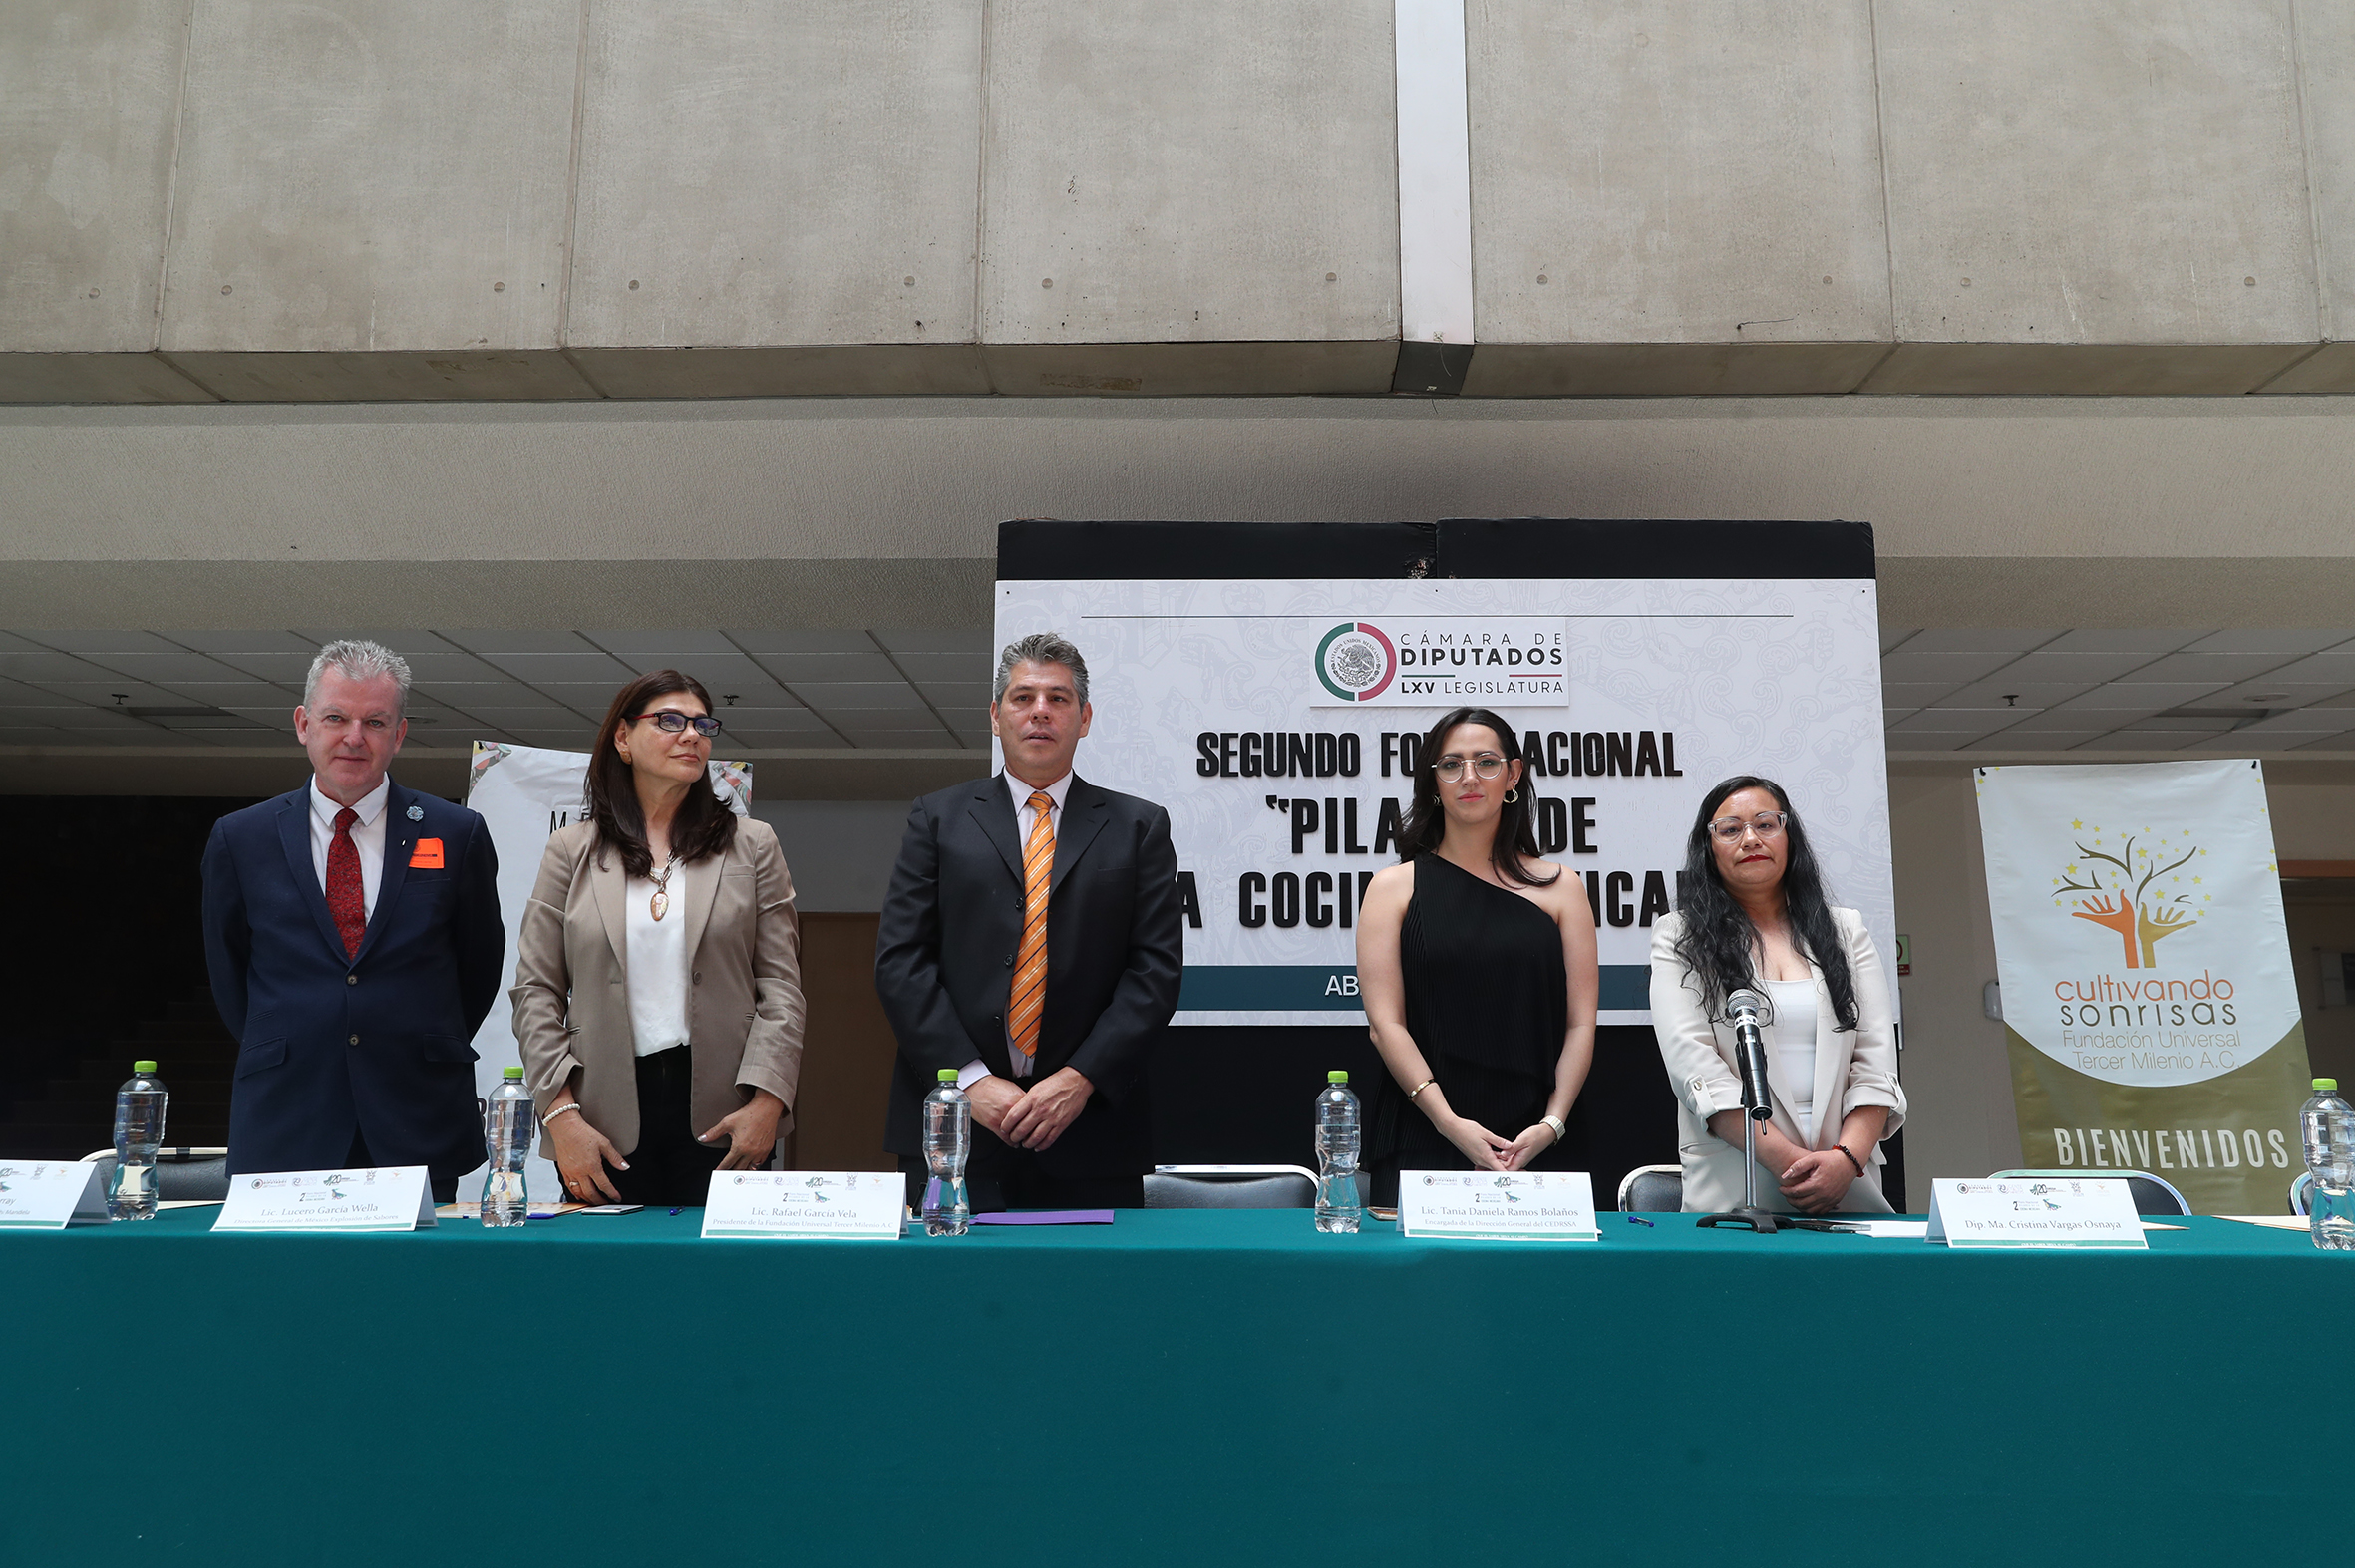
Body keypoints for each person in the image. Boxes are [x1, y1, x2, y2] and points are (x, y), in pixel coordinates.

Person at [874, 633, 1182, 1211]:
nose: (1040, 710)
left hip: (1090, 1131)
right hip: (955, 1129)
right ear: (996, 716)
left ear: (1084, 718)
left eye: (1058, 698)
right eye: (1023, 697)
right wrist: (969, 1082)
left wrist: (1080, 1078)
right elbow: (901, 963)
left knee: (1088, 1275)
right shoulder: (937, 819)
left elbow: (1155, 973)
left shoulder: (1138, 827)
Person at [201, 640, 504, 1201]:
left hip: (415, 1113)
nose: (354, 737)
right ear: (304, 724)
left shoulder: (456, 833)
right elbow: (229, 972)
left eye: (375, 721)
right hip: (287, 1115)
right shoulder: (241, 839)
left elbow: (479, 967)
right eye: (336, 718)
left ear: (399, 734)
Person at [510, 671, 807, 1208]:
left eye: (702, 725)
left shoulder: (753, 844)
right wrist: (561, 1118)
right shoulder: (571, 850)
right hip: (598, 1122)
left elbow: (781, 987)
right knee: (608, 1264)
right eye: (670, 721)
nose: (691, 735)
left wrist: (768, 1102)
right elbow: (536, 991)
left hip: (729, 1116)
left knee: (720, 1264)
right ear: (623, 738)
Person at [1356, 708, 1599, 1208]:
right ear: (1433, 781)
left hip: (1536, 1142)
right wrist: (1449, 1124)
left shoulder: (1562, 888)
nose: (1469, 777)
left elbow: (1580, 1024)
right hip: (1423, 1133)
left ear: (1513, 774)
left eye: (1486, 762)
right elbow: (1385, 1026)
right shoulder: (1391, 888)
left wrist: (1552, 1125)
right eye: (1451, 764)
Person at [1649, 776, 1904, 1215]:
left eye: (1766, 824)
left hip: (1848, 1185)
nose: (1751, 839)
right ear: (1709, 849)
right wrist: (1792, 1165)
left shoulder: (1846, 931)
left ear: (1789, 837)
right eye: (1730, 829)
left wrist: (1844, 1162)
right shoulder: (1680, 936)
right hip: (1738, 1189)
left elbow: (1876, 1064)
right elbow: (1696, 1069)